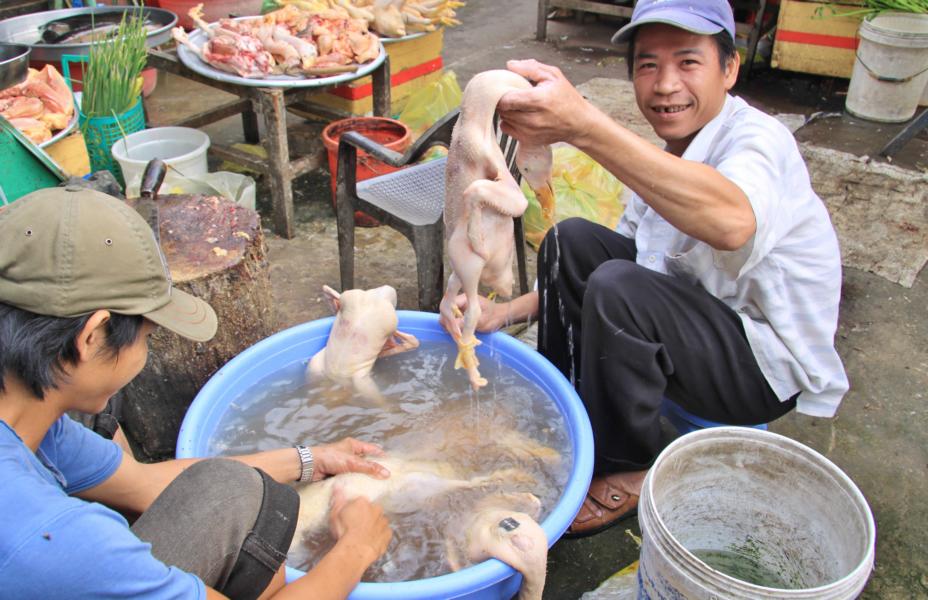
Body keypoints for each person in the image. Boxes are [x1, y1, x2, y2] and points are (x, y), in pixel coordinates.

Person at [443, 0, 849, 538]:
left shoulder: (758, 141)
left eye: (688, 62)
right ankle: (574, 408)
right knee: (573, 240)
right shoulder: (669, 151)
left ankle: (627, 467)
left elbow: (731, 223)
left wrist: (585, 126)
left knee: (619, 288)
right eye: (648, 65)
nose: (664, 85)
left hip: (760, 367)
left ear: (729, 68)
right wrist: (501, 312)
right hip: (694, 327)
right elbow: (631, 253)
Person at [0, 187, 393, 599]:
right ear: (92, 337)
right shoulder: (59, 538)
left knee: (232, 487)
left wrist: (311, 459)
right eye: (147, 337)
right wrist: (356, 549)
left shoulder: (33, 421)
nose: (144, 352)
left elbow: (142, 482)